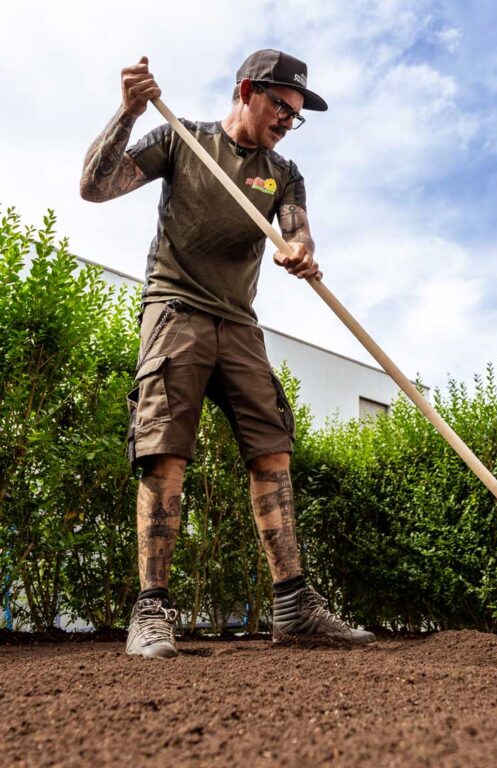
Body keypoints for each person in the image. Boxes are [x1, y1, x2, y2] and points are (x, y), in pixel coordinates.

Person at [80, 50, 375, 657]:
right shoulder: (181, 140)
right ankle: (152, 611)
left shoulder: (282, 173)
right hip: (175, 311)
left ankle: (294, 606)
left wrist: (299, 250)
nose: (287, 122)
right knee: (164, 453)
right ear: (246, 90)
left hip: (239, 323)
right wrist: (128, 111)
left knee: (273, 451)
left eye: (296, 116)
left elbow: (297, 228)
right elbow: (94, 187)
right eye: (280, 108)